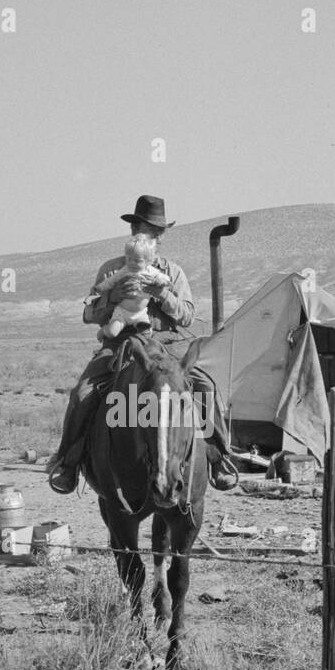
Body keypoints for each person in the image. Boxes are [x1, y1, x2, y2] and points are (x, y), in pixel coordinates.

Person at [47, 194, 238, 495]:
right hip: (121, 343)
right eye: (142, 225)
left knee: (206, 388)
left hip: (169, 344)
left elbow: (187, 316)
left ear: (161, 234)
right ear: (133, 228)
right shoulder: (112, 270)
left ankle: (219, 458)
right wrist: (112, 297)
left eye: (155, 228)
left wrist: (161, 294)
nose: (148, 232)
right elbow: (89, 314)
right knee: (83, 393)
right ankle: (67, 463)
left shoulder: (172, 272)